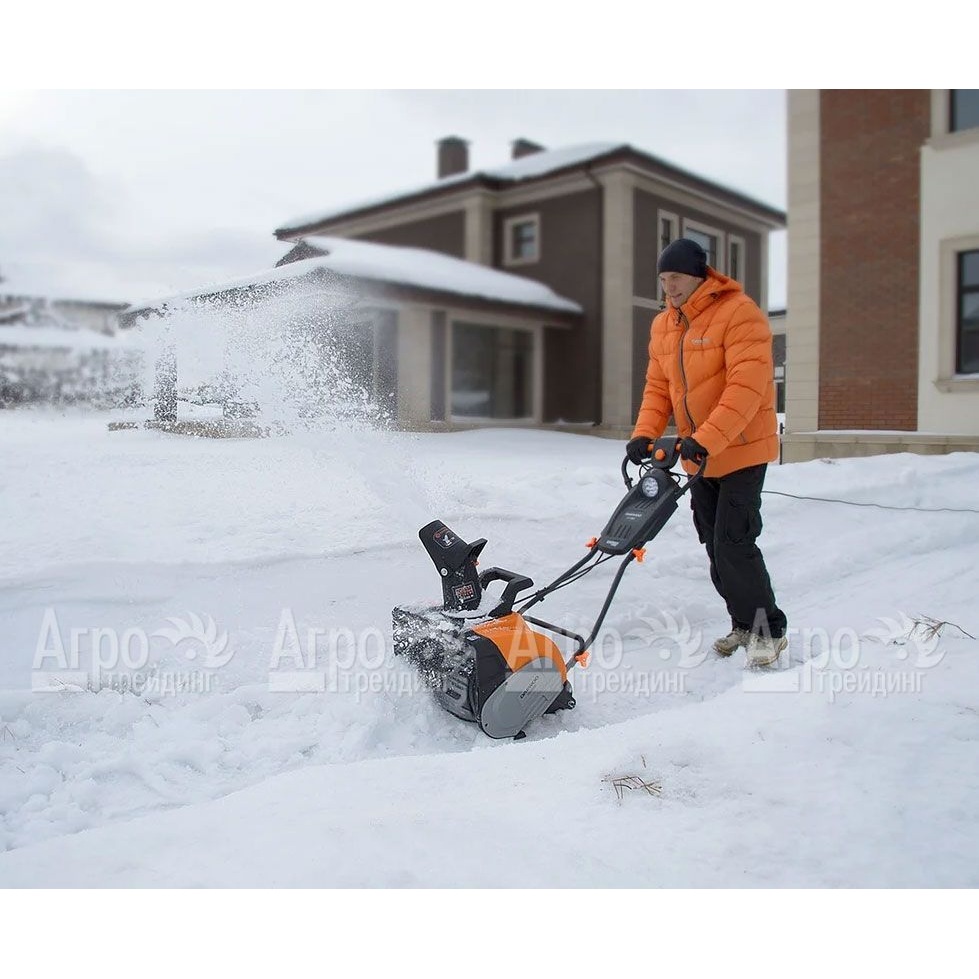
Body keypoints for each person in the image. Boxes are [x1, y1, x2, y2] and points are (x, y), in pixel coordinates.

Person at [626, 237, 787, 666]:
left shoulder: (739, 313)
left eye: (676, 278)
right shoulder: (664, 325)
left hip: (741, 450)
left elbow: (745, 387)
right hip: (699, 456)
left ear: (699, 276)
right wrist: (644, 433)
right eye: (663, 279)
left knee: (735, 543)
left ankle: (768, 630)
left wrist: (708, 438)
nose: (669, 287)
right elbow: (658, 387)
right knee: (714, 546)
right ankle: (743, 623)